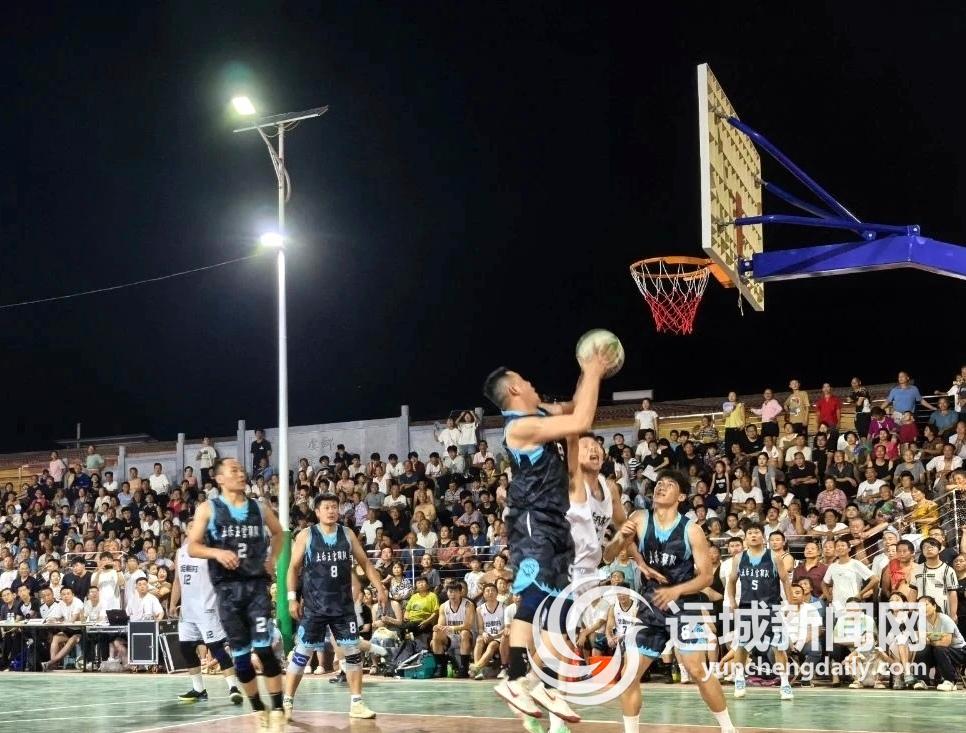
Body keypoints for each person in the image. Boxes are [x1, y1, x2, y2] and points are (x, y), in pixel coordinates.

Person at [482, 350, 610, 722]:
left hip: (555, 521)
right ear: (514, 389)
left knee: (560, 606)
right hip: (532, 520)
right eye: (526, 380)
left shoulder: (539, 414)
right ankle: (514, 678)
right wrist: (594, 371)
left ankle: (546, 684)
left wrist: (587, 372)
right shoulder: (518, 428)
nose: (532, 383)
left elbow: (574, 408)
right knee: (535, 596)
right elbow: (581, 420)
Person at [603, 470, 737, 733]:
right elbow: (608, 557)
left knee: (697, 670)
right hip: (651, 606)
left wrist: (676, 591)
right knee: (629, 674)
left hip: (684, 606)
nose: (661, 487)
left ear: (682, 496)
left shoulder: (692, 530)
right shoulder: (639, 518)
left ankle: (728, 728)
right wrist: (620, 537)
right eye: (659, 483)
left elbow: (706, 577)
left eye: (669, 484)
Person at [187, 458, 285, 727]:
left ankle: (278, 708)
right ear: (219, 478)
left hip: (256, 587)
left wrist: (272, 559)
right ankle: (258, 708)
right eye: (234, 471)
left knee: (264, 650)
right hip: (227, 591)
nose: (241, 474)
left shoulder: (259, 508)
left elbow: (279, 533)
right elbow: (192, 547)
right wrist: (216, 552)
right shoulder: (208, 508)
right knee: (241, 657)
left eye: (242, 470)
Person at [283, 493, 388, 721]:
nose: (331, 511)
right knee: (302, 654)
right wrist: (292, 598)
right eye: (327, 507)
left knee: (352, 653)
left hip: (343, 606)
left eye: (334, 507)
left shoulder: (347, 533)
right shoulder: (307, 535)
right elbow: (293, 568)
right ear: (317, 512)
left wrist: (380, 588)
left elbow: (365, 563)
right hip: (315, 606)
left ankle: (357, 703)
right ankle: (287, 701)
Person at [169, 528, 243, 704]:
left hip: (207, 609)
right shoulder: (180, 552)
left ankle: (233, 688)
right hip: (187, 611)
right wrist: (172, 603)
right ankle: (199, 690)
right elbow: (178, 580)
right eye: (190, 528)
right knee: (186, 649)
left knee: (216, 648)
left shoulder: (212, 552)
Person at [726, 523, 795, 701]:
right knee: (742, 645)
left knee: (778, 646)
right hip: (748, 607)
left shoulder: (774, 557)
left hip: (770, 607)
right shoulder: (739, 558)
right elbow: (731, 580)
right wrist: (732, 600)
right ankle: (739, 679)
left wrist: (790, 603)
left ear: (763, 536)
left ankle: (785, 683)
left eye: (756, 532)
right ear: (746, 538)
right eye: (750, 532)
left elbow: (785, 580)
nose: (753, 535)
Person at [912, 595, 966, 691]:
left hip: (959, 651)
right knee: (922, 650)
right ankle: (922, 680)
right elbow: (923, 641)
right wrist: (929, 642)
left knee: (939, 649)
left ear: (934, 606)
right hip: (938, 651)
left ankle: (950, 681)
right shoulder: (921, 621)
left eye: (926, 605)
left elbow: (946, 642)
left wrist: (930, 641)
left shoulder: (945, 619)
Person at [430, 580, 477, 678]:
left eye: (455, 591)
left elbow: (468, 625)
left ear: (460, 592)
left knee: (464, 633)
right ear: (447, 593)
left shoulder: (468, 604)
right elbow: (441, 625)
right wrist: (437, 627)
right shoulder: (443, 606)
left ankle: (464, 668)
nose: (453, 594)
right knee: (436, 634)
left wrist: (452, 628)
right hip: (451, 637)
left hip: (468, 636)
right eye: (450, 591)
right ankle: (441, 667)